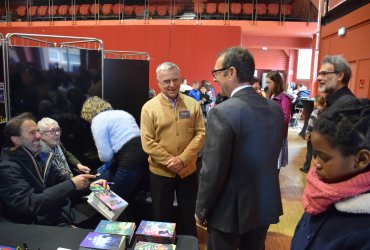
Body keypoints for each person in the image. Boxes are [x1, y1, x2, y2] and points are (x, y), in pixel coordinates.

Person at [195, 46, 284, 250]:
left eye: (217, 73)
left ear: (232, 72)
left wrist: (201, 209)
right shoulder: (275, 109)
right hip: (264, 202)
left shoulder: (223, 112)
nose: (215, 79)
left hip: (228, 210)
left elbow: (213, 171)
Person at [0, 112, 107, 227]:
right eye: (32, 133)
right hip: (34, 225)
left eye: (37, 131)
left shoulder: (41, 156)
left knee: (108, 214)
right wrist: (72, 184)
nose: (39, 136)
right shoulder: (8, 167)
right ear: (16, 140)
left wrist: (91, 185)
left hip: (59, 212)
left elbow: (63, 182)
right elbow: (29, 204)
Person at [291, 98, 370, 249]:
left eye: (324, 157)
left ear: (361, 159)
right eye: (316, 155)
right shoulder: (321, 191)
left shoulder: (364, 230)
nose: (316, 163)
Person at [140, 62, 205, 236]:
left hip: (188, 171)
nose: (172, 85)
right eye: (166, 81)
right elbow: (147, 141)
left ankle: (189, 245)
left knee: (188, 215)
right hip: (160, 173)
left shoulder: (193, 105)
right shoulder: (149, 108)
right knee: (161, 217)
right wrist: (171, 161)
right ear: (158, 82)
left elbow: (200, 133)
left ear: (180, 79)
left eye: (175, 80)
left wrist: (182, 159)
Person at [80, 96, 148, 203]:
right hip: (144, 154)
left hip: (129, 159)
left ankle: (104, 216)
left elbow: (106, 156)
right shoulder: (123, 113)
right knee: (125, 195)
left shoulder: (98, 120)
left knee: (113, 202)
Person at [38, 117, 91, 181]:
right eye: (52, 131)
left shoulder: (58, 143)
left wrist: (78, 165)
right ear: (42, 135)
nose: (57, 133)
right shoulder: (42, 154)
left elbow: (67, 154)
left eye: (58, 130)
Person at [266, 71, 292, 170]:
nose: (267, 85)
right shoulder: (270, 95)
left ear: (276, 83)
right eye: (266, 82)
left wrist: (270, 120)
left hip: (277, 136)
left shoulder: (284, 98)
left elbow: (285, 118)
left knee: (275, 168)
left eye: (269, 83)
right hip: (269, 134)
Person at [300, 95, 325, 173]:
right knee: (316, 154)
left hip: (312, 136)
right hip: (319, 136)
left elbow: (311, 124)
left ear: (317, 103)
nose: (313, 103)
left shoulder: (315, 112)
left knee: (310, 152)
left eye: (314, 101)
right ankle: (318, 169)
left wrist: (307, 134)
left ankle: (306, 168)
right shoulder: (324, 112)